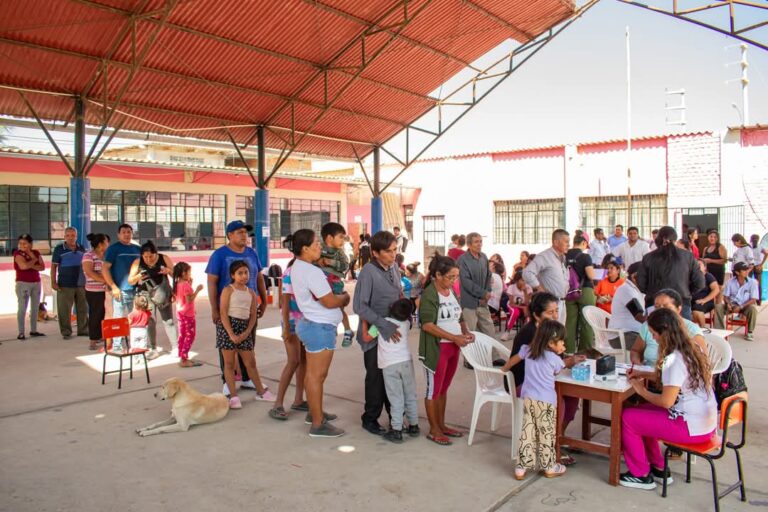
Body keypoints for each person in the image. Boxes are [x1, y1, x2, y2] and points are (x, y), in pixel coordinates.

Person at [620, 307, 716, 490]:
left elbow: (666, 402)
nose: (653, 338)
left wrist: (641, 390)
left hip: (690, 426)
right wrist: (642, 374)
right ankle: (658, 467)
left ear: (665, 333)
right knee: (641, 413)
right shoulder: (692, 347)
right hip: (703, 423)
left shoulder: (675, 358)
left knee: (629, 418)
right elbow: (670, 377)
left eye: (654, 334)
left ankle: (640, 474)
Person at [503, 320, 583, 480]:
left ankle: (521, 467)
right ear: (551, 343)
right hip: (546, 402)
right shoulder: (554, 360)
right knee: (546, 434)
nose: (563, 344)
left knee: (528, 432)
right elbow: (557, 370)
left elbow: (513, 360)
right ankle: (549, 466)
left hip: (528, 399)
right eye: (561, 341)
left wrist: (504, 369)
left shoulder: (528, 350)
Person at [290, 229, 349, 437]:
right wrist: (343, 298)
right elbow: (329, 301)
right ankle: (317, 423)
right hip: (319, 327)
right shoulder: (311, 271)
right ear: (304, 248)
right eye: (316, 244)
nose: (320, 247)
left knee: (313, 375)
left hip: (312, 323)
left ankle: (315, 412)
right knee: (316, 376)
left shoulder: (298, 267)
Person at [206, 220, 268, 396]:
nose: (244, 235)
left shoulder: (252, 253)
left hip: (249, 307)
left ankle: (247, 378)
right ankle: (228, 380)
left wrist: (263, 300)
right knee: (227, 345)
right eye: (239, 232)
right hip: (228, 311)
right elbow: (212, 282)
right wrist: (214, 308)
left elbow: (259, 278)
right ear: (230, 235)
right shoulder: (219, 255)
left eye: (245, 232)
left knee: (248, 343)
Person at [419, 254, 475, 446]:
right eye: (450, 277)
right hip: (437, 349)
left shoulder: (450, 292)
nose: (453, 281)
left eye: (455, 277)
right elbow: (426, 325)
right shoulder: (429, 294)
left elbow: (458, 315)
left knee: (443, 388)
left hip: (453, 348)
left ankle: (441, 425)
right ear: (437, 275)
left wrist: (466, 331)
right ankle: (434, 429)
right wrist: (454, 338)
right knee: (433, 390)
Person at [353, 230, 402, 435]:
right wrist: (384, 325)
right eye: (389, 252)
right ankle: (370, 417)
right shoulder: (368, 273)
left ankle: (395, 417)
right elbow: (360, 307)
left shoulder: (395, 268)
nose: (393, 255)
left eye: (395, 250)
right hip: (374, 328)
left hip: (392, 328)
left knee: (392, 375)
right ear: (375, 253)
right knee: (375, 375)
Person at [217, 260, 274, 409]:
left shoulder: (251, 292)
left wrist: (247, 332)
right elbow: (223, 313)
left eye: (246, 273)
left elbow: (253, 315)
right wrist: (231, 333)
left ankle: (261, 392)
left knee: (251, 363)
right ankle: (233, 396)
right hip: (227, 327)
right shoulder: (228, 290)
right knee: (229, 364)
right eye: (240, 273)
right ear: (233, 275)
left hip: (245, 328)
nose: (244, 276)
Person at [269, 247, 308, 421]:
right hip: (292, 323)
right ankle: (277, 403)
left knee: (304, 361)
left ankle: (299, 399)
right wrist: (285, 328)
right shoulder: (289, 273)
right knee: (293, 361)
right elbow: (284, 303)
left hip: (306, 323)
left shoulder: (309, 271)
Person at [636, 226, 704, 321]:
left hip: (654, 304)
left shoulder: (648, 257)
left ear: (658, 240)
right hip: (681, 303)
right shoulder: (688, 256)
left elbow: (641, 283)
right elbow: (700, 283)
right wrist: (686, 291)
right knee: (681, 334)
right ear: (675, 239)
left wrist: (654, 292)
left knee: (654, 334)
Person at [378, 298, 420, 443]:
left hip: (390, 365)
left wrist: (365, 322)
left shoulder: (381, 323)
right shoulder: (408, 323)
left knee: (396, 398)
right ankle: (414, 425)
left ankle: (396, 430)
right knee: (410, 395)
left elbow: (366, 337)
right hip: (406, 362)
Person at [127, 241, 177, 359]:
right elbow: (130, 280)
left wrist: (168, 271)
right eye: (145, 257)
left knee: (168, 320)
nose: (148, 259)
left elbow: (175, 274)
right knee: (150, 321)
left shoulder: (164, 258)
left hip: (162, 293)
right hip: (145, 294)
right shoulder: (137, 262)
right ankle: (153, 348)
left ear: (156, 254)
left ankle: (175, 347)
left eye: (151, 256)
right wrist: (139, 276)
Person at [631, 289, 706, 367]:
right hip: (647, 372)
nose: (661, 310)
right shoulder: (648, 325)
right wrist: (638, 366)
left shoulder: (691, 329)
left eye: (666, 307)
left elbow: (702, 362)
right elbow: (636, 351)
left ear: (679, 309)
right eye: (657, 307)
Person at [318, 222, 354, 347]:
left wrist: (330, 262)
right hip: (322, 284)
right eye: (340, 237)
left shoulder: (340, 253)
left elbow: (345, 266)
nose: (343, 241)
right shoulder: (318, 249)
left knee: (338, 309)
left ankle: (348, 330)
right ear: (329, 238)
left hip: (335, 284)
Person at [523, 229, 570, 324]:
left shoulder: (563, 257)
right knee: (550, 335)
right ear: (556, 242)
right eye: (566, 242)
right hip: (550, 305)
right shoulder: (545, 256)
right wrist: (539, 288)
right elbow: (527, 273)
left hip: (562, 303)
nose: (568, 245)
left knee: (559, 335)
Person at [51, 226, 88, 340]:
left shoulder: (82, 248)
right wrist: (53, 282)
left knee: (82, 308)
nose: (71, 238)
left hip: (81, 283)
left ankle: (83, 330)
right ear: (64, 237)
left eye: (73, 235)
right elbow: (54, 266)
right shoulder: (59, 249)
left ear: (76, 236)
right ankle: (66, 332)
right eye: (68, 235)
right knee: (64, 309)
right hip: (65, 283)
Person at [457, 232, 495, 337]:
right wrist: (483, 294)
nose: (479, 244)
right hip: (469, 304)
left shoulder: (484, 257)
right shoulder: (462, 260)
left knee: (490, 333)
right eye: (476, 242)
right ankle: (470, 354)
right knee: (470, 335)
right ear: (469, 245)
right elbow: (466, 282)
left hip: (483, 303)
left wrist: (488, 292)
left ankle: (493, 354)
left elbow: (488, 276)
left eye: (481, 241)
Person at [102, 224, 142, 321]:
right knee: (119, 319)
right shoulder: (113, 249)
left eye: (129, 232)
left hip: (136, 290)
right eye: (123, 232)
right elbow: (105, 268)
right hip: (120, 291)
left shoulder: (138, 249)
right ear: (118, 235)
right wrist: (113, 287)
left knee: (135, 319)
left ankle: (133, 336)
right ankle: (119, 337)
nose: (126, 234)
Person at [565, 234, 595, 353]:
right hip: (585, 291)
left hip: (569, 292)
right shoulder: (585, 256)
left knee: (570, 322)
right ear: (583, 243)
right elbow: (591, 275)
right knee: (587, 322)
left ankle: (569, 351)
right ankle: (584, 352)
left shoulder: (564, 256)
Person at [714, 261, 759, 341]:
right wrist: (728, 304)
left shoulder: (752, 282)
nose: (746, 271)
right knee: (718, 306)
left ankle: (750, 332)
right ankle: (719, 330)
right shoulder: (730, 282)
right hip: (732, 304)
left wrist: (741, 306)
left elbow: (753, 299)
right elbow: (726, 296)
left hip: (745, 305)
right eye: (744, 270)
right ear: (737, 272)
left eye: (747, 269)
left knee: (753, 309)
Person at [14, 234, 46, 340]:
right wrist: (33, 261)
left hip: (36, 283)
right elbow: (23, 267)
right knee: (22, 308)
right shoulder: (17, 254)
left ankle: (33, 330)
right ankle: (21, 332)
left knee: (35, 308)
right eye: (20, 243)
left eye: (25, 243)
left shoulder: (36, 253)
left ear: (30, 244)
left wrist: (30, 262)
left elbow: (42, 267)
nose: (22, 245)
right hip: (23, 283)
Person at [172, 262, 203, 367]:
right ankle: (184, 358)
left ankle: (181, 355)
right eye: (189, 272)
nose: (190, 274)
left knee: (182, 335)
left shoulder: (177, 284)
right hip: (187, 314)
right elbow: (189, 299)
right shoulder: (185, 285)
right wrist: (197, 290)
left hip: (180, 312)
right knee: (190, 335)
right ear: (184, 273)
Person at [608, 262, 645, 350]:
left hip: (631, 333)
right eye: (645, 276)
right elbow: (639, 316)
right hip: (621, 336)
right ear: (634, 276)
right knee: (651, 348)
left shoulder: (634, 289)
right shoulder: (627, 290)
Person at [82, 233, 110, 350]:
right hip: (94, 291)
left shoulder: (107, 255)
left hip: (107, 290)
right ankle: (93, 339)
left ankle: (103, 336)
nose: (108, 244)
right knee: (96, 314)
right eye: (106, 242)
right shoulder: (88, 255)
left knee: (105, 314)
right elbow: (89, 272)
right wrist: (106, 280)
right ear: (100, 244)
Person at [501, 271, 532, 341]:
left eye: (525, 280)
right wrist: (523, 307)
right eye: (522, 280)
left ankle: (525, 333)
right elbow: (511, 304)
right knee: (515, 312)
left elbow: (527, 303)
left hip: (524, 305)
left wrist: (525, 292)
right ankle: (507, 332)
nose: (524, 282)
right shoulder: (512, 287)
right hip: (513, 306)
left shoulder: (528, 288)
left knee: (528, 313)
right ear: (517, 280)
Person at [691, 259, 719, 328]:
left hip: (705, 302)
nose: (696, 266)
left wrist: (704, 300)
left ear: (705, 267)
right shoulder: (690, 276)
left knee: (697, 310)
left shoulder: (708, 276)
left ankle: (703, 330)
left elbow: (716, 290)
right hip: (691, 301)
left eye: (699, 265)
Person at [750, 233, 767, 305]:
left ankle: (750, 300)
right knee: (758, 284)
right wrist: (761, 264)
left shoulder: (749, 246)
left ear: (750, 239)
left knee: (749, 283)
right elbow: (766, 253)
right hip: (758, 266)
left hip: (751, 266)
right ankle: (758, 301)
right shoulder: (760, 246)